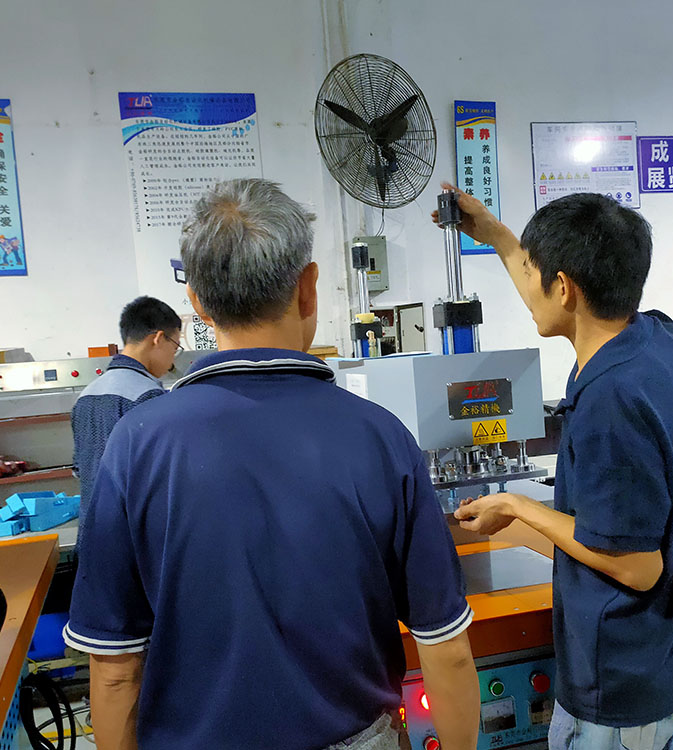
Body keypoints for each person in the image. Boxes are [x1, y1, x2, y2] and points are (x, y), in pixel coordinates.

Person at [64, 178, 480, 750]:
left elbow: (114, 670)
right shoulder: (379, 436)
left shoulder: (136, 444)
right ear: (310, 288)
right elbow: (447, 649)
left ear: (199, 303)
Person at [437, 187, 673, 750]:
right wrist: (493, 233)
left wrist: (517, 506)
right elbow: (557, 301)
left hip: (620, 686)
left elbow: (638, 567)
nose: (530, 285)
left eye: (536, 273)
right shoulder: (655, 337)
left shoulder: (610, 400)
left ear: (563, 287)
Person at [71, 295, 182, 525]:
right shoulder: (149, 396)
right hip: (134, 541)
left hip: (93, 534)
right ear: (159, 339)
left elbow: (81, 469)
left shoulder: (86, 396)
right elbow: (161, 482)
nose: (173, 359)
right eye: (175, 346)